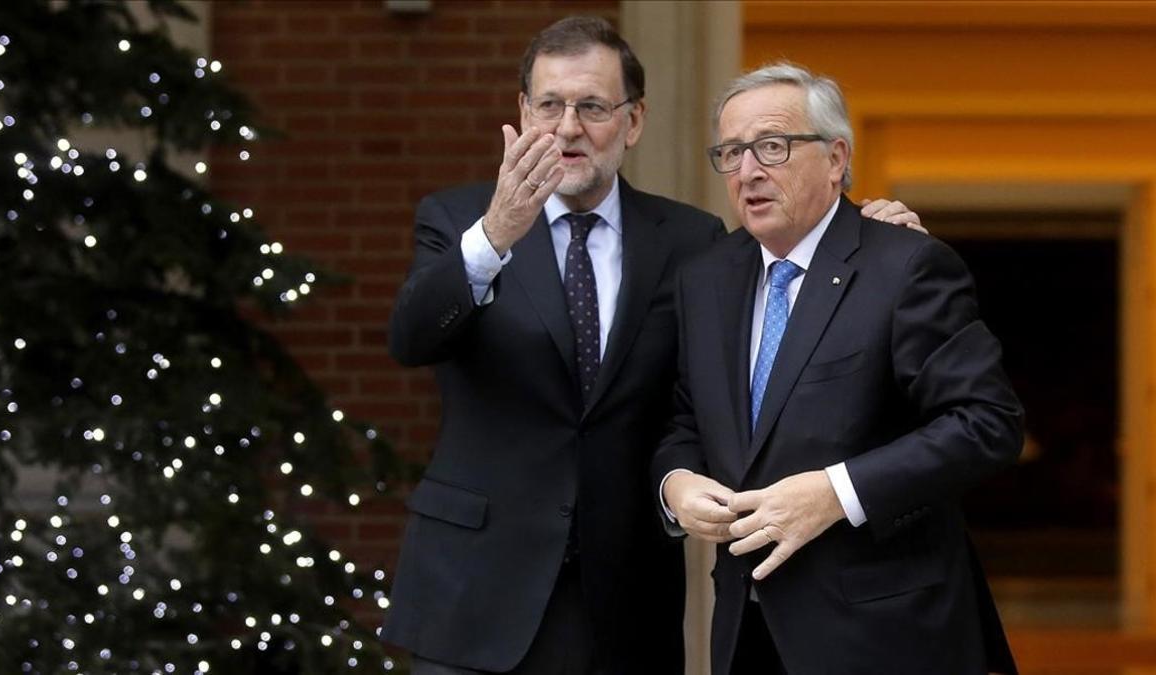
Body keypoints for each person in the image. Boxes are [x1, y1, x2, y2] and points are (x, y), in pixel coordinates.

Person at [384, 17, 922, 674]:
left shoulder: (692, 239)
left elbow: (794, 263)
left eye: (593, 107)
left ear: (634, 121)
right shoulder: (457, 220)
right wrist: (496, 233)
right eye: (550, 106)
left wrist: (867, 229)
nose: (569, 127)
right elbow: (411, 338)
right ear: (523, 114)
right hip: (476, 591)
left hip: (627, 595)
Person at [655, 61, 1023, 674]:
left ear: (835, 158)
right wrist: (676, 485)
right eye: (732, 152)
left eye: (772, 146)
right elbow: (687, 419)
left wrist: (837, 492)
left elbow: (987, 422)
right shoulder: (706, 278)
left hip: (886, 637)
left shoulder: (905, 265)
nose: (748, 170)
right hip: (747, 634)